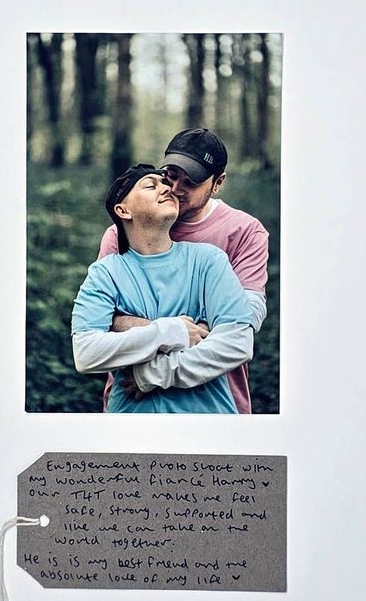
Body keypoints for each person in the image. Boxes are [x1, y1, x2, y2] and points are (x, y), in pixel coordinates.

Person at [97, 128, 269, 413]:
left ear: (218, 183)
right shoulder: (122, 234)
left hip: (216, 398)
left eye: (190, 182)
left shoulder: (245, 231)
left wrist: (155, 372)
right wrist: (175, 330)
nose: (175, 188)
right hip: (132, 401)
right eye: (171, 175)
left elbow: (246, 318)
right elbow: (100, 318)